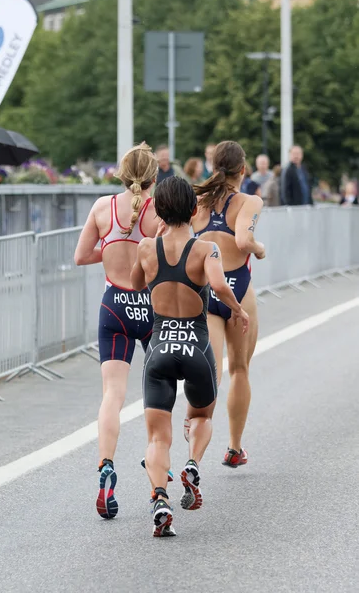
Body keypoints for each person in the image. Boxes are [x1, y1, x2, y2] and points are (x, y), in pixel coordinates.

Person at [131, 176, 249, 537]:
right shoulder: (205, 249)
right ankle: (193, 464)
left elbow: (136, 284)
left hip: (160, 349)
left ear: (158, 211)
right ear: (194, 209)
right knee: (200, 415)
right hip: (196, 348)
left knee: (156, 438)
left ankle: (160, 497)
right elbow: (217, 285)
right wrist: (237, 311)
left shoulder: (147, 248)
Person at [74, 143, 160, 520]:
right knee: (158, 394)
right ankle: (160, 466)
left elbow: (81, 256)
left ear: (121, 175)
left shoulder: (102, 207)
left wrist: (111, 248)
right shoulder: (160, 212)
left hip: (115, 305)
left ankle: (105, 466)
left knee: (112, 395)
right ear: (155, 177)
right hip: (152, 305)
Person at [187, 141, 265, 469]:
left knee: (211, 373)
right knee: (240, 369)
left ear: (212, 165)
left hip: (206, 291)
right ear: (243, 170)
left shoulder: (198, 202)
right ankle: (234, 447)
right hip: (238, 289)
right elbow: (245, 241)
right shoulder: (248, 200)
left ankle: (194, 456)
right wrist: (259, 250)